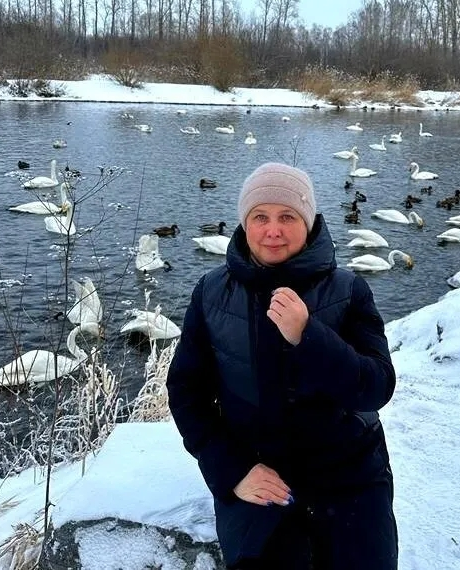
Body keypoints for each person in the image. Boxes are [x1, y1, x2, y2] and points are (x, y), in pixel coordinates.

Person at [167, 162, 398, 569]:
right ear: (245, 223)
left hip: (349, 476)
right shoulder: (211, 293)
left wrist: (309, 336)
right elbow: (187, 394)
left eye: (287, 216)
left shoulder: (349, 290)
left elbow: (377, 388)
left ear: (308, 223)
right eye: (260, 217)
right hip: (259, 477)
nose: (273, 230)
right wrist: (232, 471)